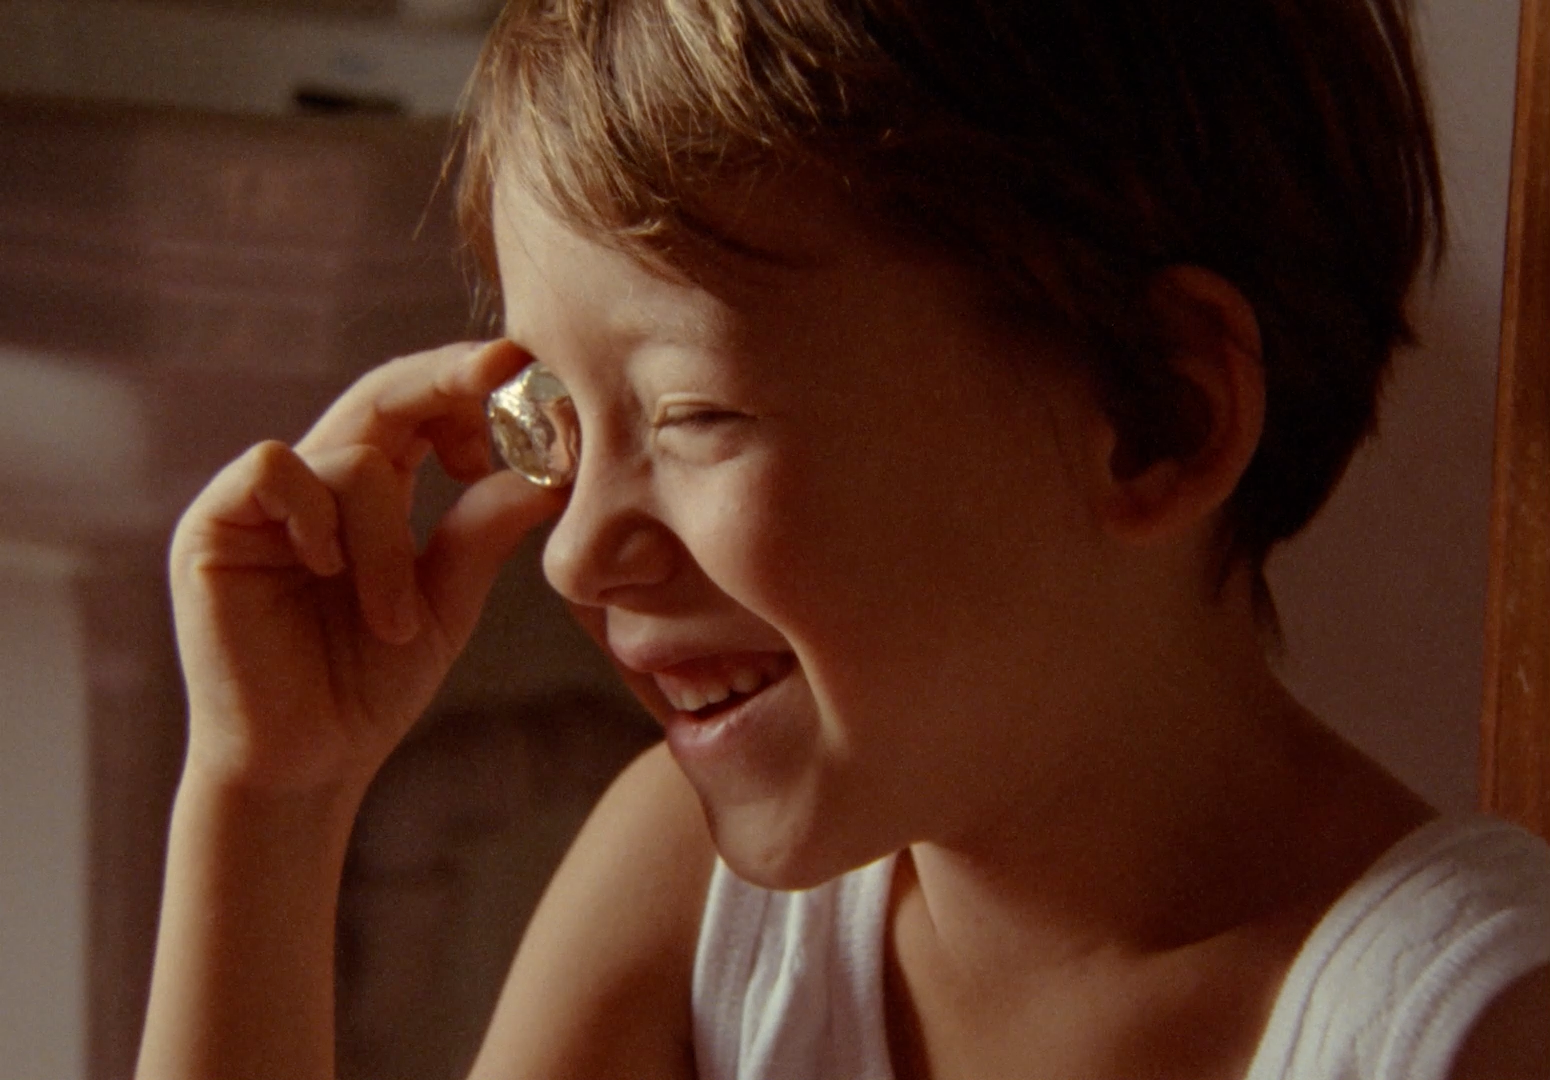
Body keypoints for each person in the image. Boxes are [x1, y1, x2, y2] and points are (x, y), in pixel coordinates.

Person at [135, 2, 1550, 1078]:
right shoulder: (680, 902)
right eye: (548, 419)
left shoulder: (1462, 1027)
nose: (573, 556)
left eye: (691, 412)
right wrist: (270, 798)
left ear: (1153, 415)